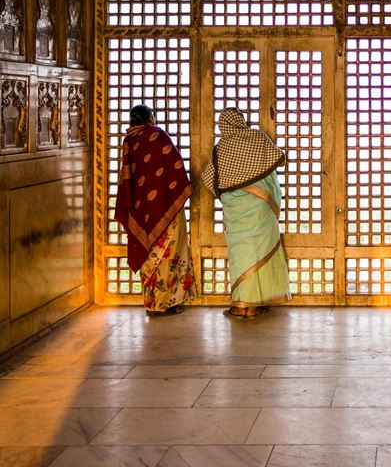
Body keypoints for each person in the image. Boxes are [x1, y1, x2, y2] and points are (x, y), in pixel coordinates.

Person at [202, 107, 291, 318]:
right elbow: (278, 159)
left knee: (241, 255)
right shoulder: (257, 137)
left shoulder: (220, 148)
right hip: (261, 208)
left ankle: (242, 305)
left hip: (236, 210)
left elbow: (208, 178)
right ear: (241, 120)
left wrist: (230, 191)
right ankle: (256, 302)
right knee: (261, 252)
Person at [115, 105, 199, 315]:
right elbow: (174, 163)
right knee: (170, 254)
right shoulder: (157, 134)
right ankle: (168, 303)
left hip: (141, 209)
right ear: (150, 117)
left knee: (149, 255)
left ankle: (152, 304)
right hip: (166, 204)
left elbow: (128, 176)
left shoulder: (129, 140)